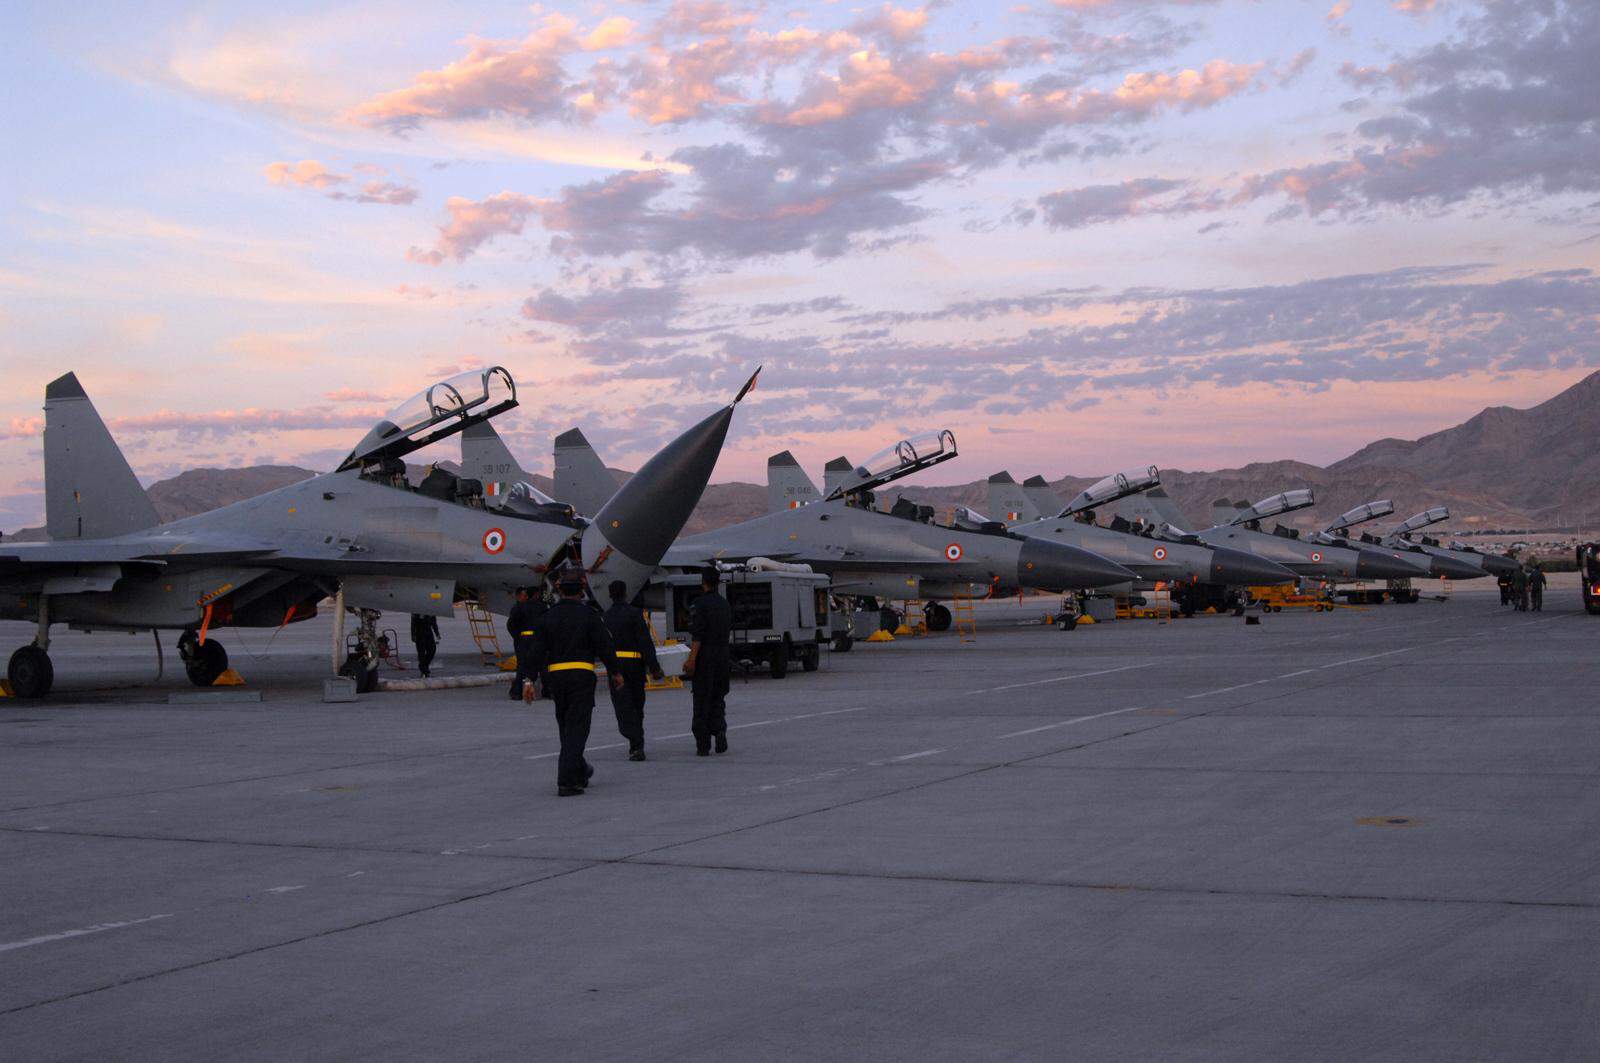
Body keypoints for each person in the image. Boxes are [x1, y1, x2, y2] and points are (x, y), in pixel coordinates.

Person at [522, 567, 622, 797]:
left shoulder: (548, 617)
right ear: (582, 591)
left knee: (566, 726)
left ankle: (579, 769)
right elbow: (605, 646)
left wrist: (528, 680)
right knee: (578, 728)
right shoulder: (589, 616)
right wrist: (616, 672)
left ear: (560, 591)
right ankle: (567, 781)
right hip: (581, 678)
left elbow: (535, 652)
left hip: (557, 680)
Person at [601, 579, 664, 761]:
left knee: (622, 706)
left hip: (616, 669)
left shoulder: (606, 617)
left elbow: (602, 645)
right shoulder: (635, 614)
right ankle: (637, 743)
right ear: (625, 594)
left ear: (610, 595)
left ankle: (634, 740)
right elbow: (645, 642)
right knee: (637, 705)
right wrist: (654, 668)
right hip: (635, 667)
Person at [683, 565, 732, 757]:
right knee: (718, 697)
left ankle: (703, 744)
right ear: (718, 582)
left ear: (702, 582)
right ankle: (719, 732)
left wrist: (691, 660)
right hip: (723, 655)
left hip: (705, 656)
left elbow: (698, 635)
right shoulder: (725, 604)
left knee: (702, 699)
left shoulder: (699, 604)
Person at [506, 585, 548, 700]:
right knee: (544, 666)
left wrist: (518, 637)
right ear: (535, 595)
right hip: (538, 640)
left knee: (523, 667)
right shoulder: (542, 607)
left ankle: (517, 692)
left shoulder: (520, 607)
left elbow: (511, 625)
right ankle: (548, 691)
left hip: (523, 641)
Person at [409, 613, 440, 678]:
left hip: (429, 632)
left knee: (432, 650)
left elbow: (434, 623)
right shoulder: (416, 610)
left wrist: (437, 633)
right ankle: (425, 670)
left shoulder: (431, 610)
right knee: (421, 653)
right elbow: (413, 623)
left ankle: (423, 666)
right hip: (419, 633)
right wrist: (413, 634)